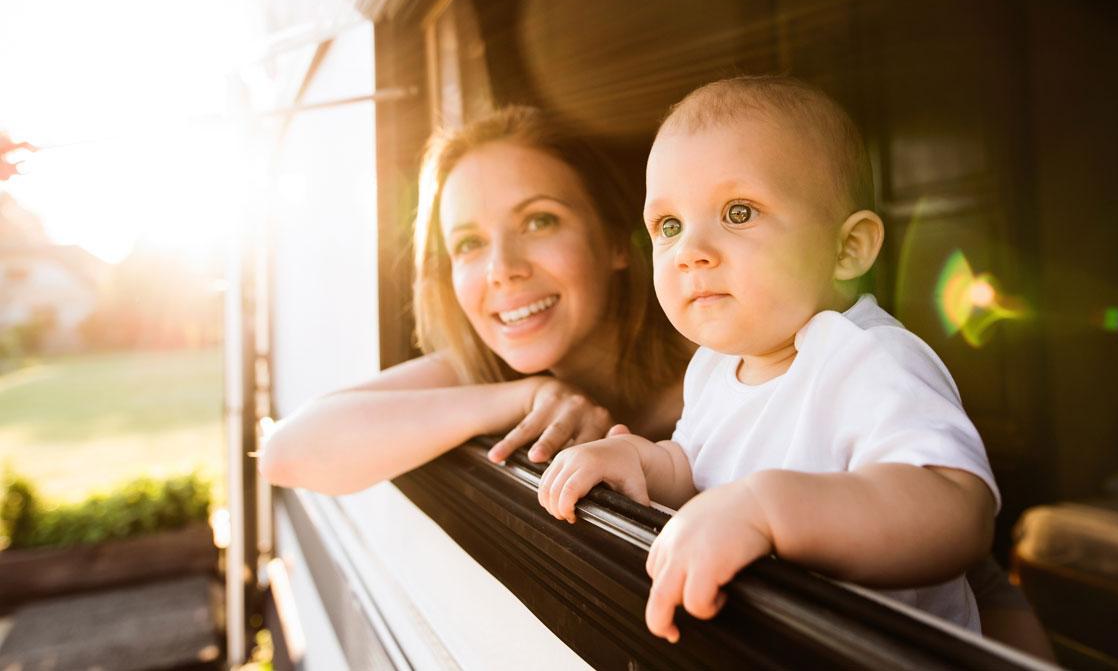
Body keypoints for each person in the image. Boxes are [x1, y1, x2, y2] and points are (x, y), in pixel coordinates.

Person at [538, 76, 1001, 641]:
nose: (690, 253)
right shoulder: (713, 365)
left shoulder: (867, 357)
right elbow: (697, 471)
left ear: (847, 248)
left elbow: (956, 511)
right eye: (669, 225)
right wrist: (641, 461)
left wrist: (768, 510)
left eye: (738, 213)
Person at [259, 106, 691, 494]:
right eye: (469, 243)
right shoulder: (483, 367)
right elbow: (286, 453)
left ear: (615, 240)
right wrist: (526, 396)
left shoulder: (724, 371)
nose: (501, 269)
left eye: (539, 221)